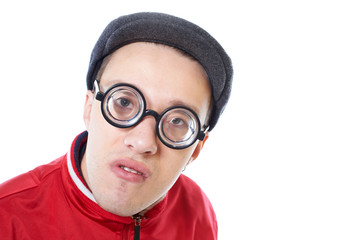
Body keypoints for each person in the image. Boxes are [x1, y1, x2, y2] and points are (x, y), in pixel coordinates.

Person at [0, 12, 233, 239]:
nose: (143, 142)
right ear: (90, 108)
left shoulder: (196, 212)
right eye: (124, 102)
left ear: (195, 149)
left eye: (177, 121)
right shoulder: (7, 218)